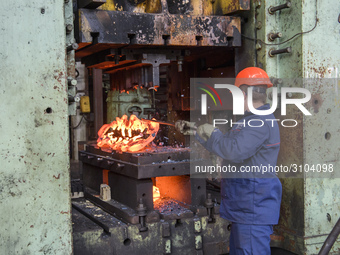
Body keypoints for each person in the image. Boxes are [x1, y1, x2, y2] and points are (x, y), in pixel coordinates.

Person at [177, 67, 282, 254]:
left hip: (253, 208)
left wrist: (214, 133)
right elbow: (228, 144)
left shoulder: (259, 122)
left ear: (242, 93)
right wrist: (197, 132)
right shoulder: (251, 120)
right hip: (245, 206)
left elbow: (234, 151)